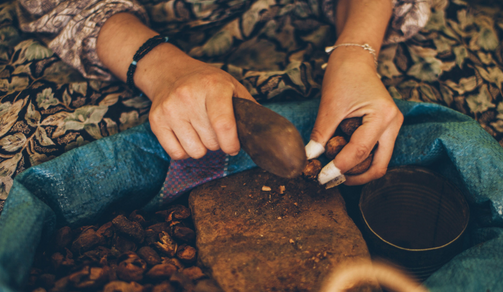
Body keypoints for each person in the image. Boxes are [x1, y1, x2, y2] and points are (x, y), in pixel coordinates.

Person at [17, 0, 432, 187]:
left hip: (323, 22)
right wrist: (162, 69)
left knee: (414, 120)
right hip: (125, 38)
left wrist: (355, 55)